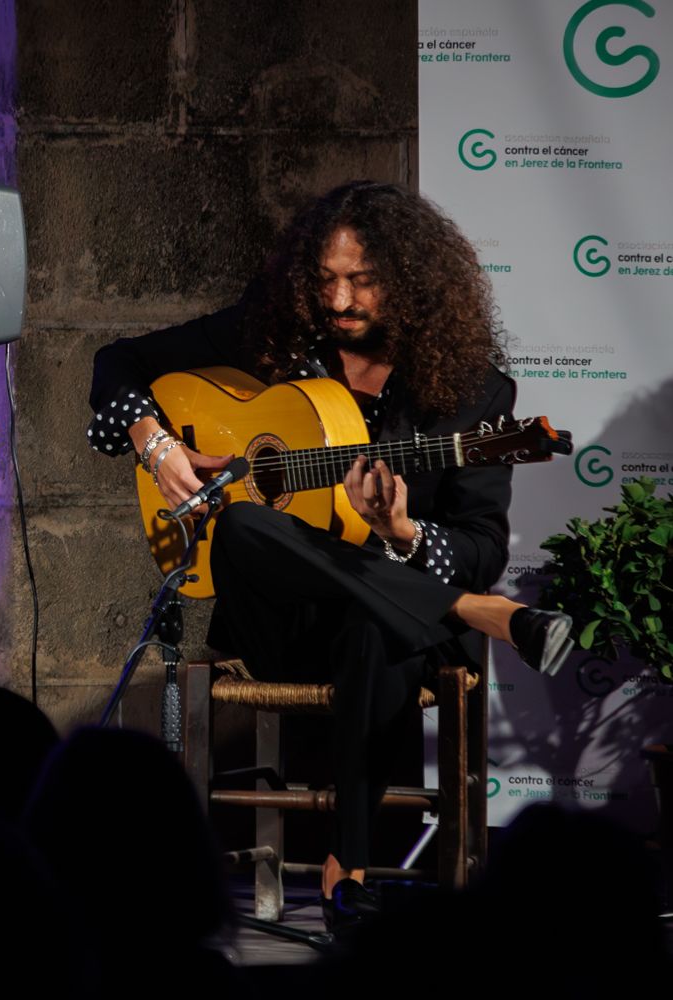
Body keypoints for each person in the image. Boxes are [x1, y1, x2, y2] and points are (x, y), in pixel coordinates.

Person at [87, 181, 571, 930]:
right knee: (245, 526)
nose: (339, 299)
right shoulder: (272, 339)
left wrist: (404, 534)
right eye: (325, 279)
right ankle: (479, 618)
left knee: (376, 625)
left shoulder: (473, 396)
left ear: (410, 282)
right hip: (278, 621)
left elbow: (478, 547)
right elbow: (117, 363)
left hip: (385, 635)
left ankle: (349, 868)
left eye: (362, 281)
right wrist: (157, 446)